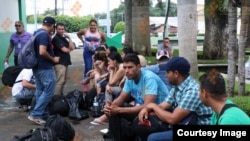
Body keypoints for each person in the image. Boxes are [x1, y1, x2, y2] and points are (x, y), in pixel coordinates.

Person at [138, 57, 212, 141]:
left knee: (153, 138)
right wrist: (147, 108)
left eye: (168, 72)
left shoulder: (192, 91)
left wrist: (153, 106)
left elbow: (172, 119)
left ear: (176, 73)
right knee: (143, 129)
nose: (165, 75)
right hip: (183, 123)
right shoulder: (177, 87)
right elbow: (163, 105)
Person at [103, 54, 169, 141]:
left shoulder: (149, 78)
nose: (126, 71)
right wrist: (110, 107)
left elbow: (148, 105)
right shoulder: (129, 78)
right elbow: (121, 98)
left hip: (159, 113)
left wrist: (118, 109)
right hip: (144, 111)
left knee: (118, 111)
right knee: (113, 111)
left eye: (130, 67)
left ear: (138, 67)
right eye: (125, 67)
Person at [28, 16, 59, 125]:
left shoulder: (36, 33)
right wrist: (53, 59)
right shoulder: (44, 35)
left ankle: (43, 114)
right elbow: (42, 51)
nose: (53, 30)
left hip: (36, 67)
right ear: (52, 26)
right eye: (53, 27)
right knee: (49, 91)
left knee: (40, 91)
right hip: (44, 67)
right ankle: (35, 114)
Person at [52, 23, 74, 95]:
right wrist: (69, 49)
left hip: (65, 62)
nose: (61, 31)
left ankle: (60, 96)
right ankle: (56, 97)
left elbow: (72, 47)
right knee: (60, 81)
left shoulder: (64, 38)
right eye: (59, 29)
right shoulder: (56, 39)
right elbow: (65, 50)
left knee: (63, 80)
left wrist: (69, 38)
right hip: (59, 63)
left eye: (62, 29)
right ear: (56, 30)